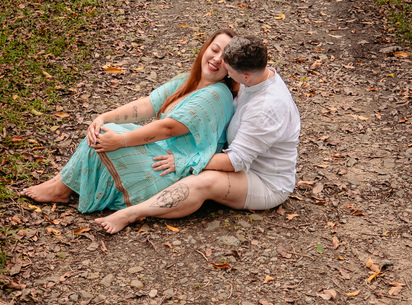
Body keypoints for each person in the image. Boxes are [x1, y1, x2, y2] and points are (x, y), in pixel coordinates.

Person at [95, 36, 300, 234]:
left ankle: (130, 214)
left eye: (229, 71)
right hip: (241, 157)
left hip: (264, 180)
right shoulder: (257, 77)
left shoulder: (265, 109)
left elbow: (235, 161)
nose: (225, 72)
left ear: (245, 76)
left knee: (203, 181)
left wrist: (186, 160)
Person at [22, 30, 237, 213]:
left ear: (232, 67)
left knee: (108, 135)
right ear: (205, 49)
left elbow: (168, 128)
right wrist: (103, 117)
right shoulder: (187, 81)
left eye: (226, 57)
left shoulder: (217, 94)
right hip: (161, 153)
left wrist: (121, 141)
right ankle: (60, 182)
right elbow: (147, 105)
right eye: (214, 49)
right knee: (104, 128)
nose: (217, 59)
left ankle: (61, 189)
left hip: (171, 171)